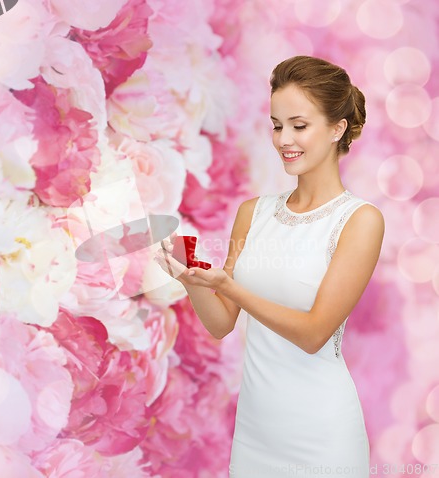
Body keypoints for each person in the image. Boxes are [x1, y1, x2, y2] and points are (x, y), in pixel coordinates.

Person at [154, 55, 384, 478]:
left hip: (322, 433)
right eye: (277, 126)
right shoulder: (253, 213)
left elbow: (315, 333)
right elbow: (223, 323)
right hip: (256, 434)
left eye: (299, 125)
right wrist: (191, 281)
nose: (283, 139)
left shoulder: (359, 220)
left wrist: (234, 287)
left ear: (337, 129)